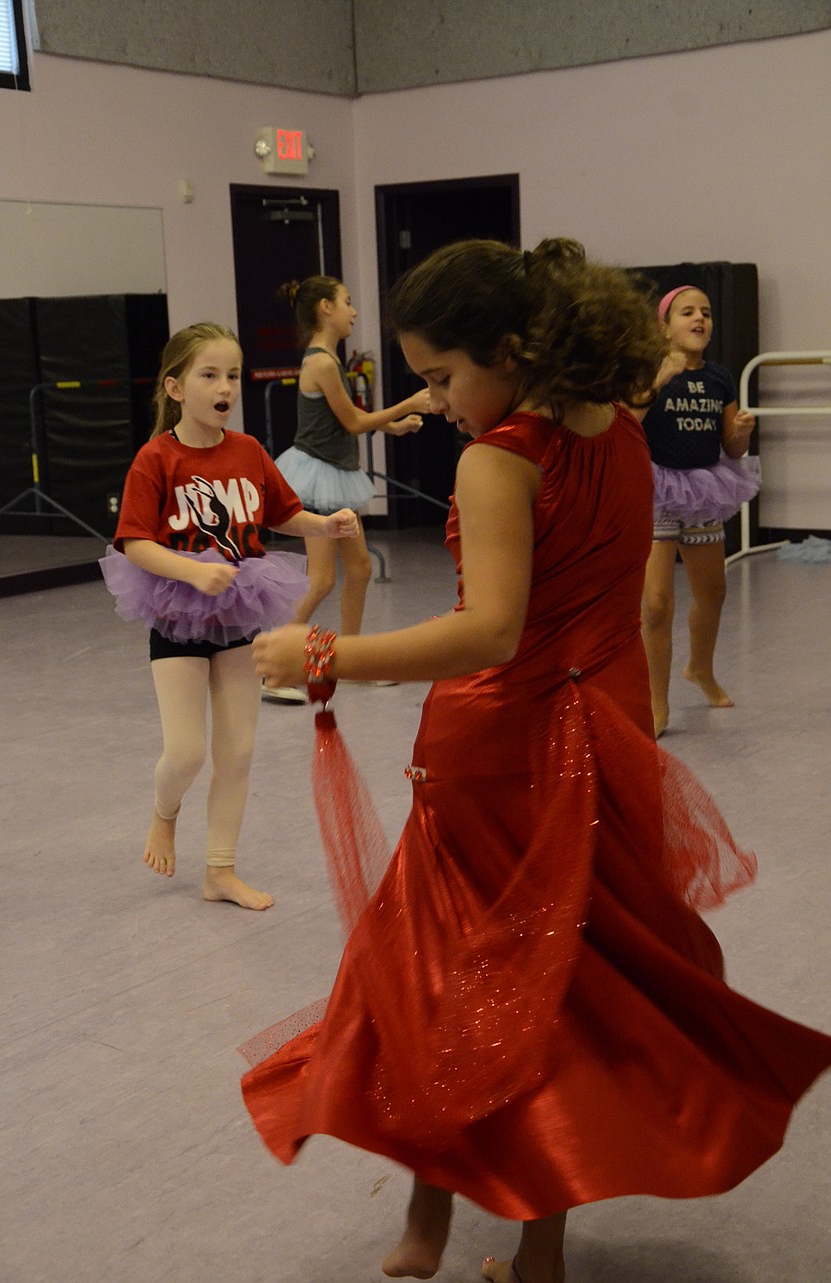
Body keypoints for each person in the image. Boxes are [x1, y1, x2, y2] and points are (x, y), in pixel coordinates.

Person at [240, 242, 831, 1282]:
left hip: (502, 751)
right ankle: (522, 1242)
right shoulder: (620, 430)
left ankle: (444, 1227)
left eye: (441, 375)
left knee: (442, 978)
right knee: (545, 982)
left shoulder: (501, 455)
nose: (435, 400)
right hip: (602, 735)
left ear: (509, 350)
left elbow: (489, 633)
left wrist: (321, 649)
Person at [100, 322, 358, 910]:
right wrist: (192, 571)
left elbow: (282, 512)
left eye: (233, 375)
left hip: (239, 611)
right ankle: (165, 814)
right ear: (175, 388)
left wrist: (324, 525)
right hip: (177, 615)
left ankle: (219, 870)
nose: (225, 387)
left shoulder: (247, 451)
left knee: (238, 750)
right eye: (209, 375)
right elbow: (134, 543)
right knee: (187, 751)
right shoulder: (156, 457)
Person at [263, 275, 430, 702]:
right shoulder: (319, 362)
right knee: (320, 580)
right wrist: (409, 403)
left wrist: (392, 425)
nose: (354, 311)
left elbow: (345, 419)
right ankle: (273, 670)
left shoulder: (329, 361)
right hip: (316, 481)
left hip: (332, 473)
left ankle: (348, 664)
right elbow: (355, 422)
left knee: (359, 569)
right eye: (348, 303)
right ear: (325, 308)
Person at [638, 286, 760, 737]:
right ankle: (655, 699)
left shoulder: (720, 378)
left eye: (706, 312)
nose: (699, 319)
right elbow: (627, 417)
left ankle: (700, 669)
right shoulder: (649, 370)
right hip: (655, 488)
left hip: (705, 489)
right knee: (655, 604)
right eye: (687, 312)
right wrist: (659, 379)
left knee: (713, 591)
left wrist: (742, 433)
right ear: (664, 325)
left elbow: (730, 445)